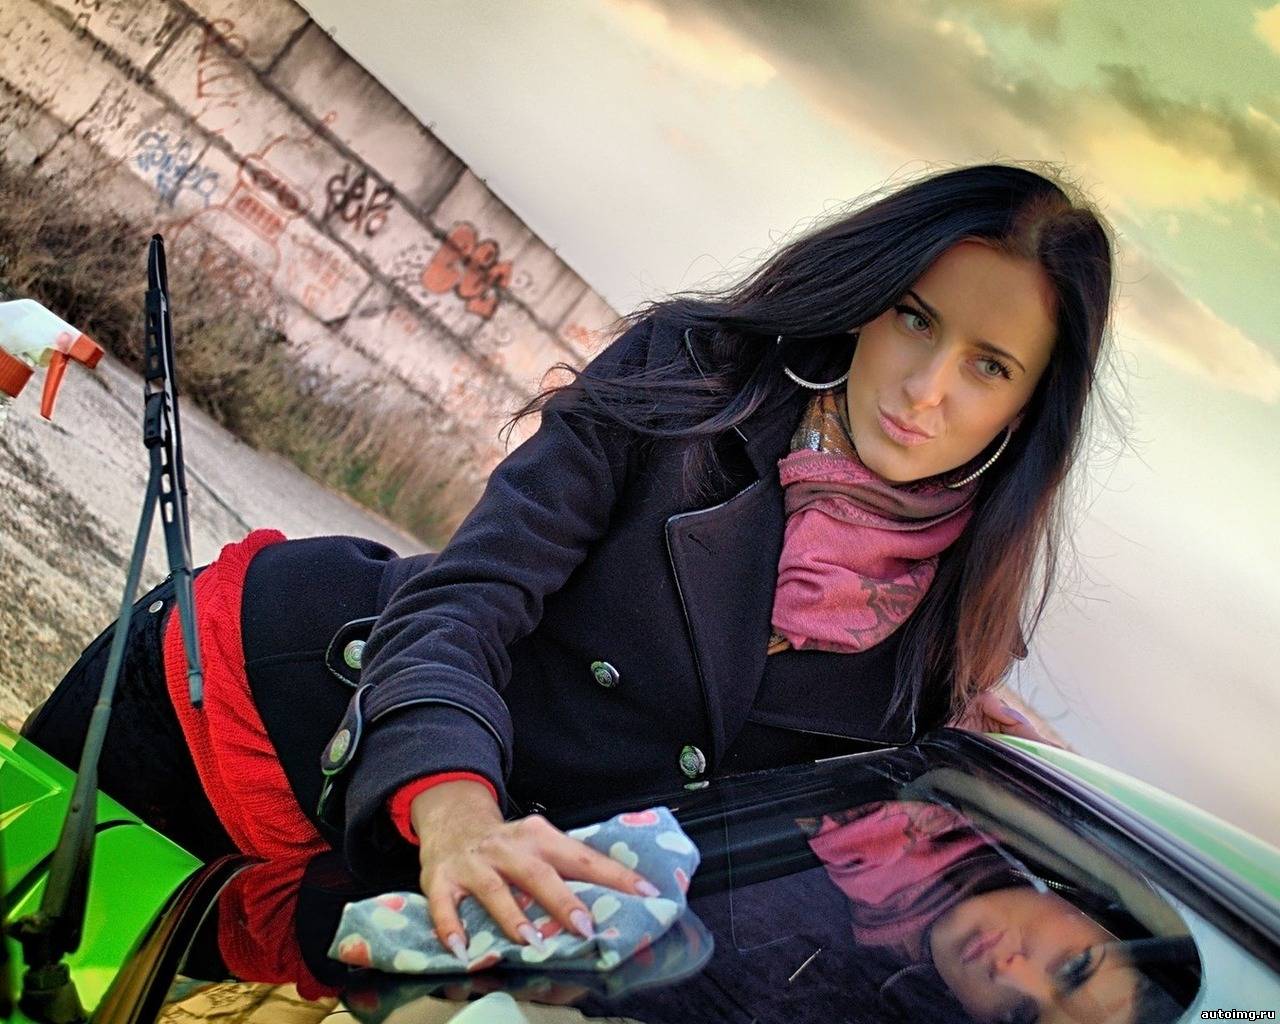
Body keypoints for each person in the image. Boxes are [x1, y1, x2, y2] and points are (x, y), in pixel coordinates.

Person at [25, 162, 1113, 971]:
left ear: (1031, 406)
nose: (926, 388)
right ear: (869, 299)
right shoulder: (698, 382)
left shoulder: (946, 645)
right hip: (254, 711)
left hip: (407, 907)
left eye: (987, 365)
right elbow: (467, 596)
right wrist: (458, 807)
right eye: (915, 318)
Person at [801, 800, 1201, 1022]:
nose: (1011, 972)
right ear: (1100, 914)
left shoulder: (822, 964)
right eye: (1073, 967)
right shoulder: (1025, 799)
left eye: (1019, 1018)